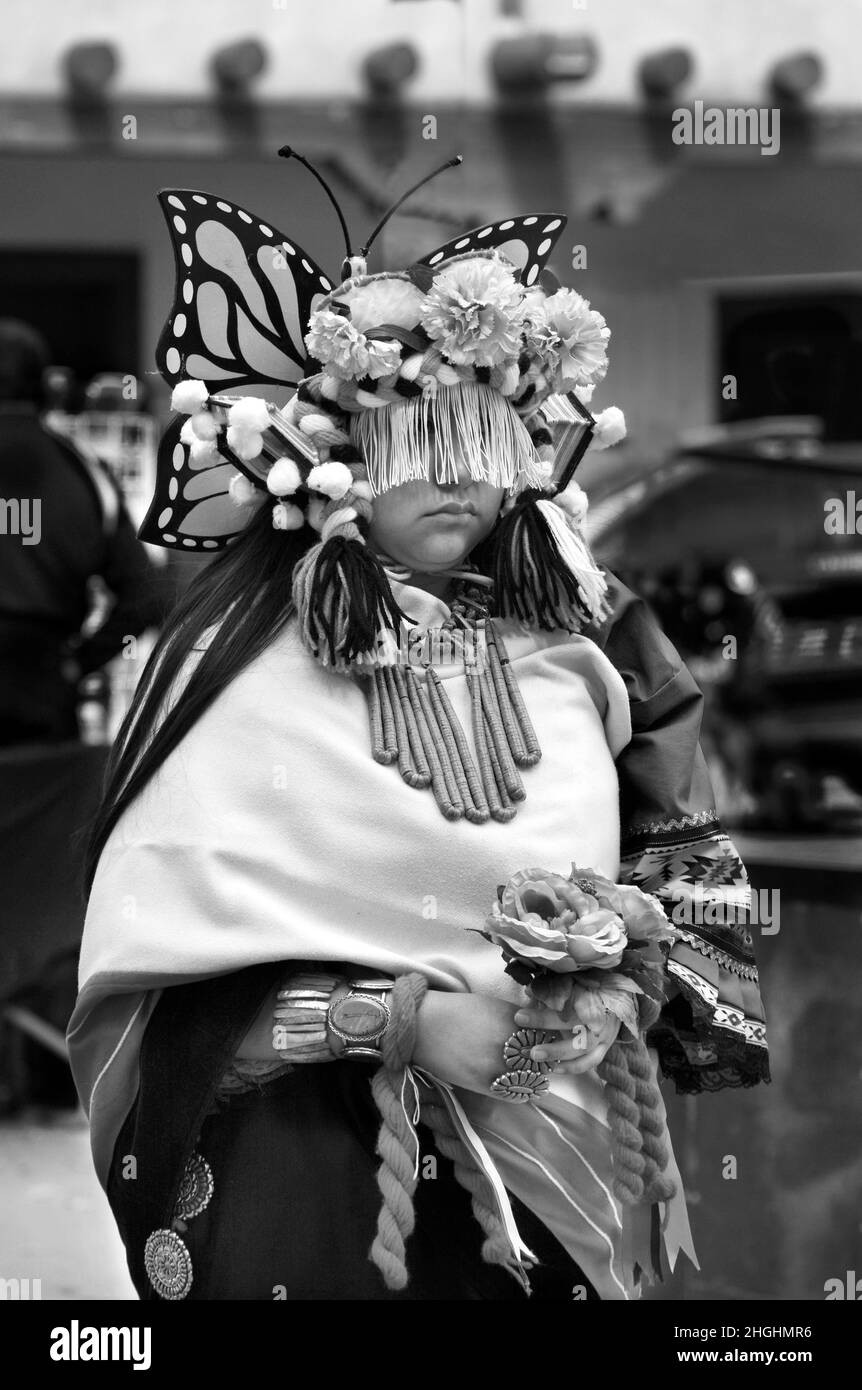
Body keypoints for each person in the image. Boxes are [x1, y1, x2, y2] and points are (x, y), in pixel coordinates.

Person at [68, 159, 769, 1301]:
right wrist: (395, 1019)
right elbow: (165, 980)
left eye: (484, 443)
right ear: (338, 457)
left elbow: (676, 876)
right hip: (310, 1164)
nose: (457, 479)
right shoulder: (234, 661)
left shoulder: (588, 640)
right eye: (414, 441)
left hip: (554, 1139)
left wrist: (621, 988)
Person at [0, 319, 162, 746]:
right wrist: (77, 664)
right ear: (46, 388)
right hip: (41, 688)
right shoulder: (83, 471)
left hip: (42, 675)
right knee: (42, 810)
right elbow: (147, 593)